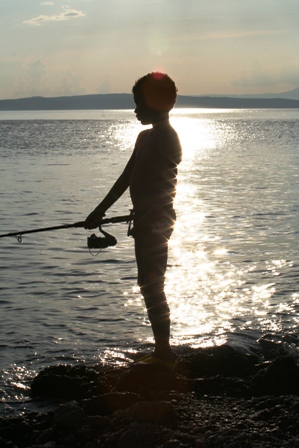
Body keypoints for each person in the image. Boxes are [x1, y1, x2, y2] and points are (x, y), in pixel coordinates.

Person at [84, 72, 182, 369]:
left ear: (158, 103)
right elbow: (127, 178)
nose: (136, 109)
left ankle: (164, 354)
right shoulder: (144, 137)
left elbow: (162, 185)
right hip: (145, 220)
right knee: (147, 284)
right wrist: (98, 211)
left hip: (156, 222)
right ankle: (161, 349)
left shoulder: (167, 137)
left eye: (140, 103)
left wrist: (147, 213)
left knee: (153, 284)